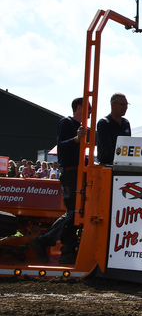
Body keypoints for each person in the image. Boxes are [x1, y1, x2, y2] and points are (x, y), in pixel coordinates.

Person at [30, 97, 87, 264]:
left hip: (78, 172)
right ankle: (44, 240)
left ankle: (67, 250)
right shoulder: (67, 123)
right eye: (88, 107)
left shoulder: (81, 127)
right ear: (79, 107)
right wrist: (76, 139)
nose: (91, 111)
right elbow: (60, 145)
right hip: (70, 173)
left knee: (77, 212)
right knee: (74, 212)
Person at [97, 92, 131, 165]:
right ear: (113, 105)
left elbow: (128, 145)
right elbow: (107, 149)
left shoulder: (126, 123)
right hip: (107, 166)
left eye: (126, 105)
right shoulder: (104, 123)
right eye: (122, 104)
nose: (125, 107)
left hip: (122, 166)